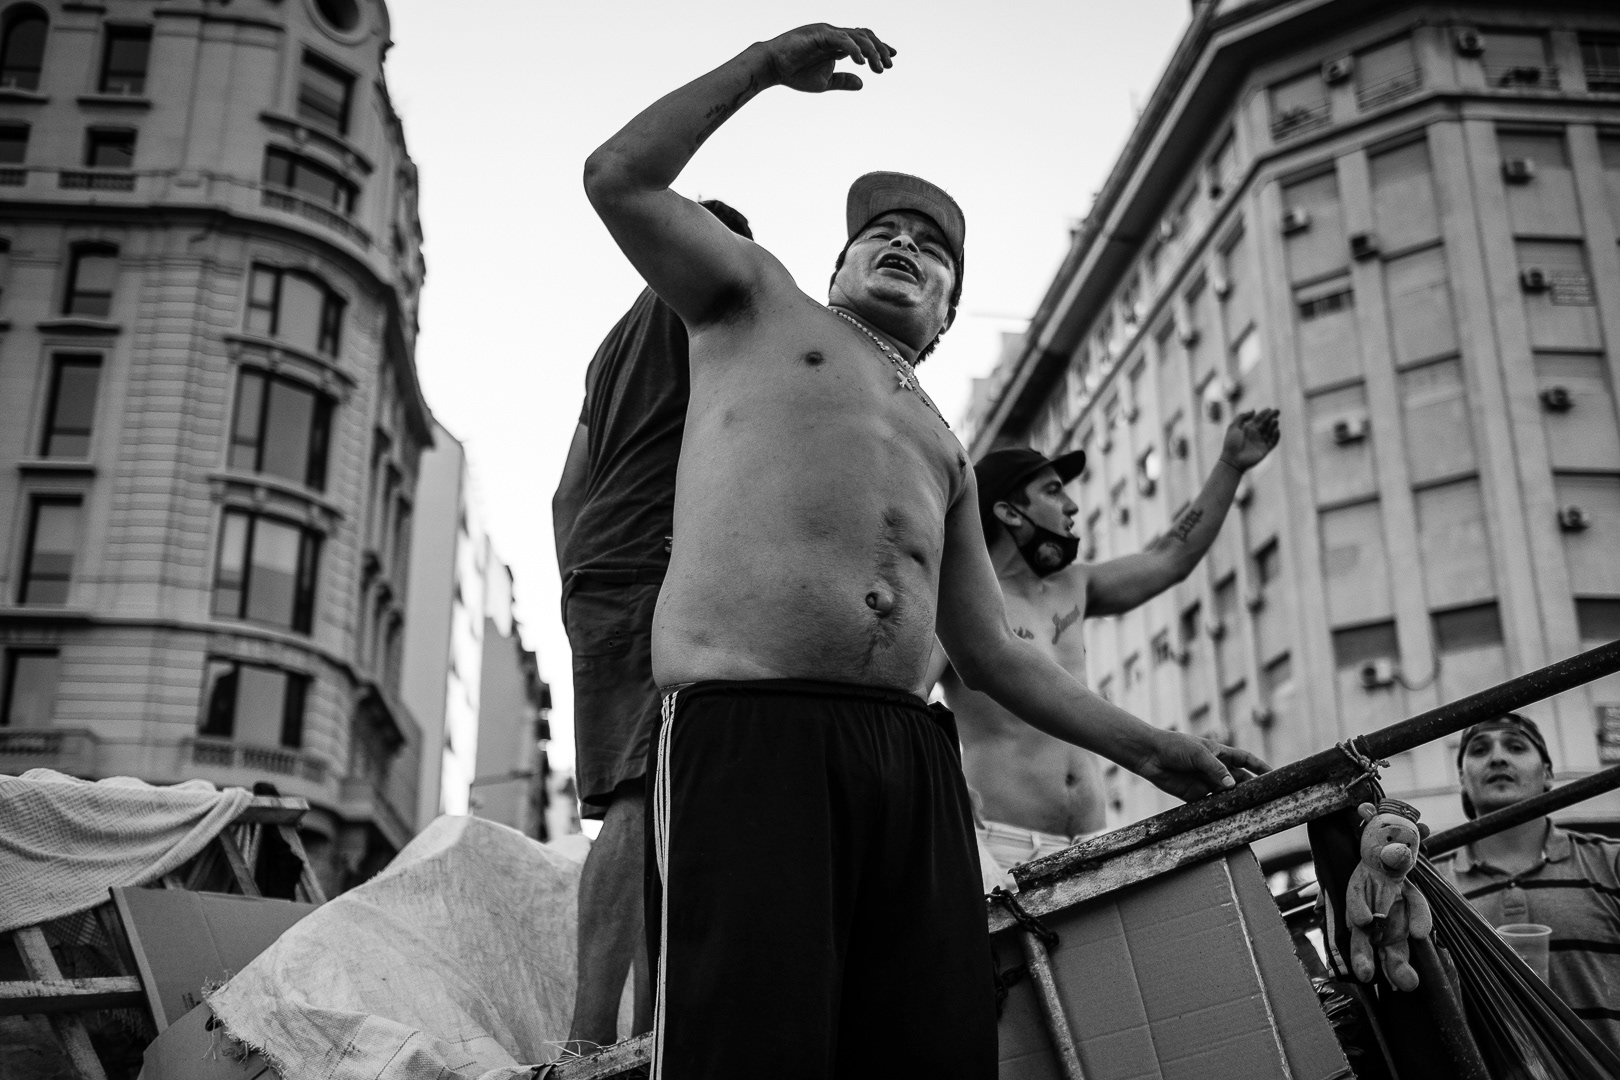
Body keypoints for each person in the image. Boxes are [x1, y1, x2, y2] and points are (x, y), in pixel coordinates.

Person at [582, 23, 1268, 1079]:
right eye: (879, 235)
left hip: (910, 755)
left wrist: (1156, 749)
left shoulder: (947, 447)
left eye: (932, 247)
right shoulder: (756, 308)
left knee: (932, 1044)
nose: (904, 245)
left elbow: (996, 652)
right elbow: (620, 177)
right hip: (753, 728)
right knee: (752, 1042)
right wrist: (767, 65)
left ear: (946, 315)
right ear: (836, 266)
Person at [552, 200, 753, 1049]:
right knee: (646, 795)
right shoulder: (700, 309)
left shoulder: (612, 346)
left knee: (641, 799)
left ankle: (636, 1037)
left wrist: (582, 586)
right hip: (653, 564)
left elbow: (566, 491)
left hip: (601, 569)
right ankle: (596, 1044)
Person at [941, 411, 1279, 883]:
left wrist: (1230, 465)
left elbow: (1170, 558)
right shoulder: (964, 606)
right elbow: (907, 699)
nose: (1073, 506)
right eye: (1054, 491)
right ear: (1009, 511)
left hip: (1093, 841)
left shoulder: (1073, 585)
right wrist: (947, 787)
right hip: (1003, 845)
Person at [1435, 712, 1620, 1056]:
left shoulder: (1611, 863)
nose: (1498, 757)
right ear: (1463, 778)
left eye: (1516, 746)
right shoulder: (1431, 889)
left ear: (1548, 774)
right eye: (1479, 750)